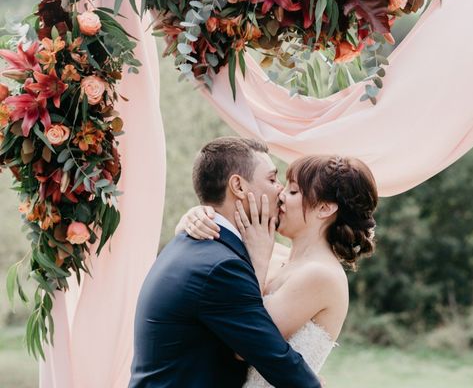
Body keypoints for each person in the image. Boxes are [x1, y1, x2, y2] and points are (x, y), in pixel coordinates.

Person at [130, 137, 321, 388]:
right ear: (238, 186)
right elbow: (274, 357)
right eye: (272, 179)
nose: (281, 191)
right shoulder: (220, 267)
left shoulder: (194, 246)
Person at [177, 152, 379, 387]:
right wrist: (194, 217)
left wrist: (259, 261)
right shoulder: (274, 253)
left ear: (324, 208)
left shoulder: (321, 275)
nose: (281, 195)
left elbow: (245, 345)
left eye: (293, 191)